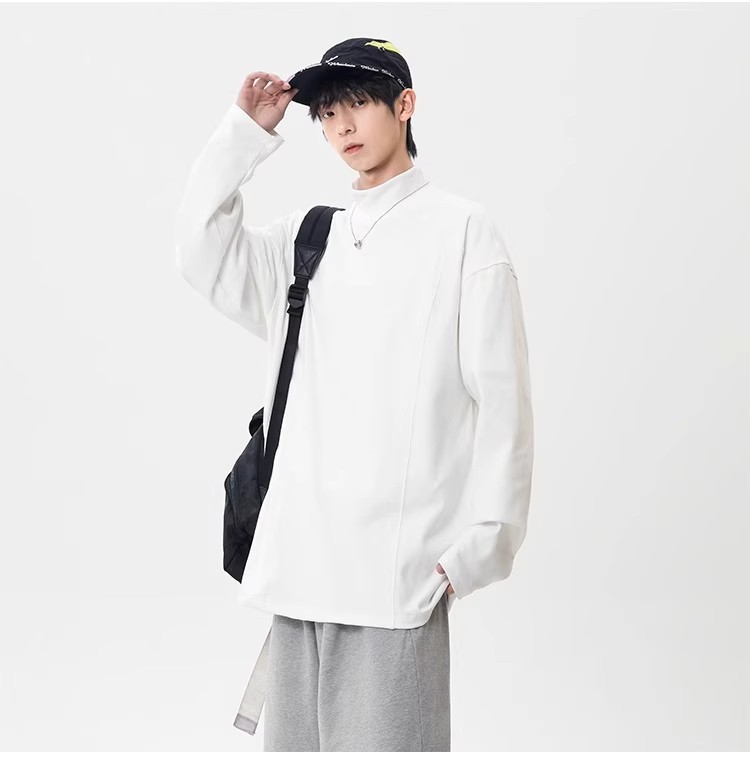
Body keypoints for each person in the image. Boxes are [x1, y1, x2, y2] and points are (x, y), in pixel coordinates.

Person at [175, 37, 534, 752]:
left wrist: (482, 545)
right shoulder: (309, 240)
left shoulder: (463, 231)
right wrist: (244, 134)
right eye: (327, 113)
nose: (342, 125)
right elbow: (199, 250)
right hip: (297, 573)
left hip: (395, 581)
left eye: (360, 103)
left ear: (405, 105)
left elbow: (503, 401)